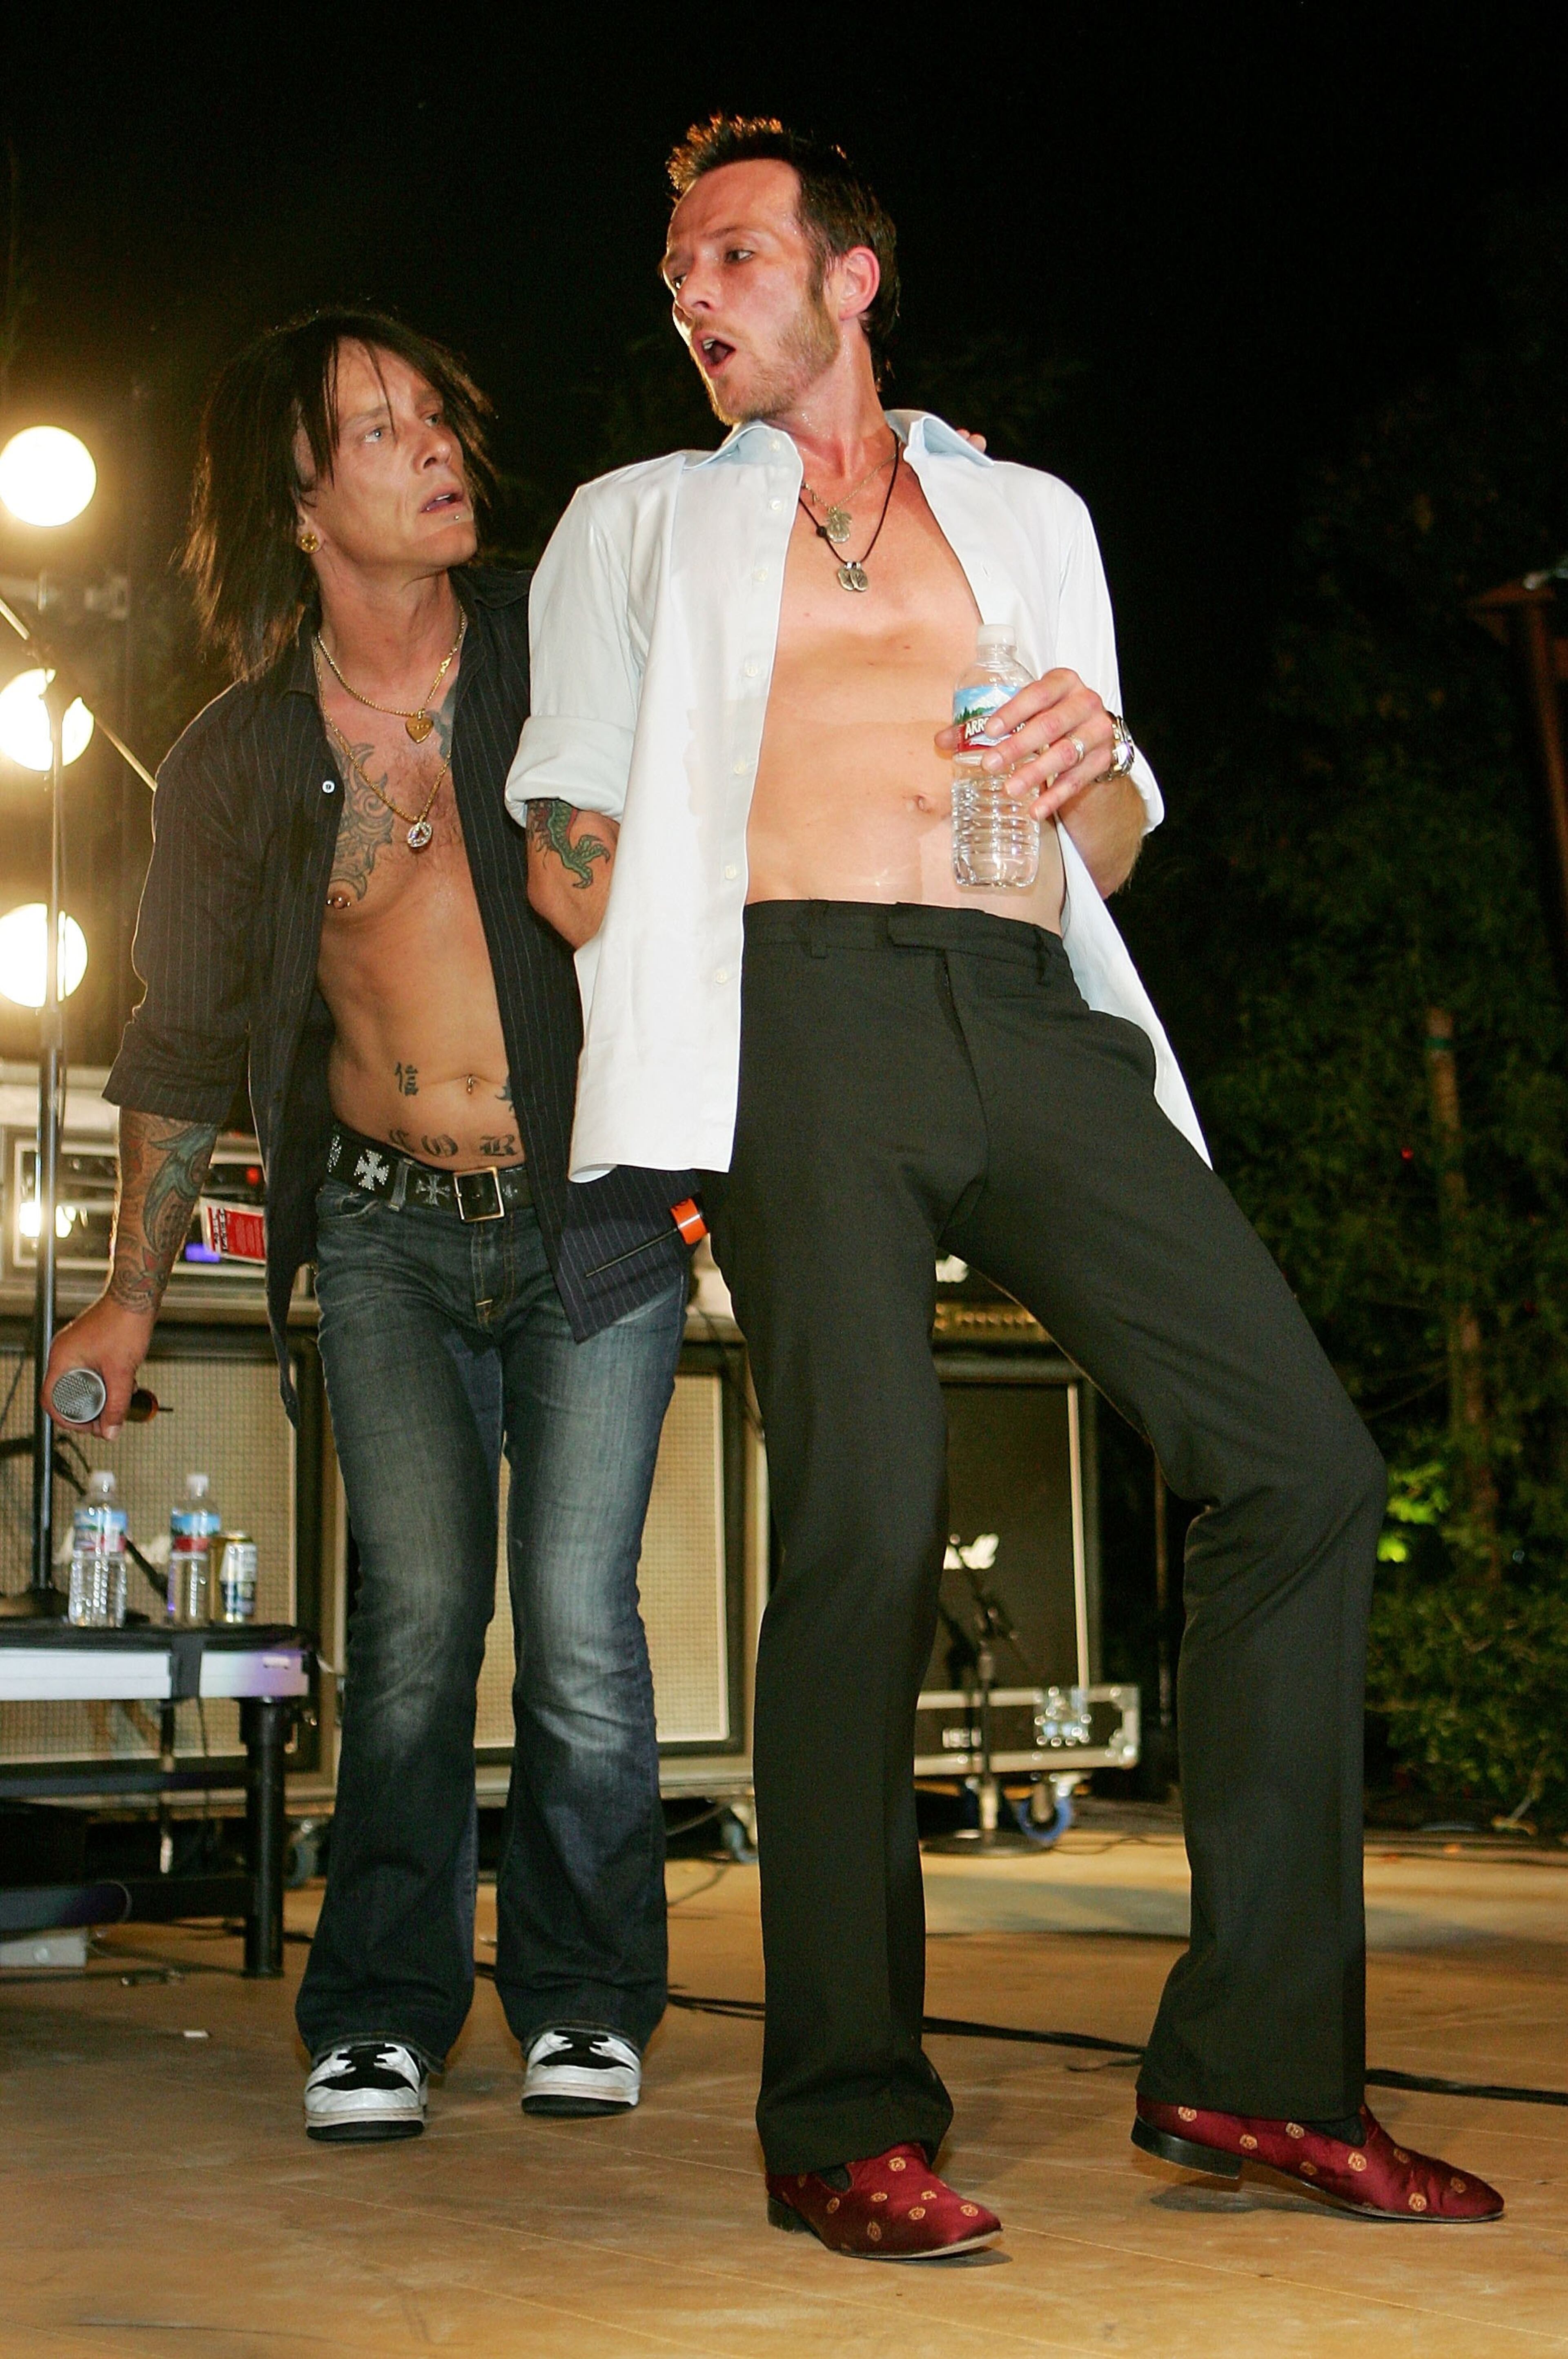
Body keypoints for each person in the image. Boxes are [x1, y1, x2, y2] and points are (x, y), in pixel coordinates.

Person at [506, 118, 1504, 2254]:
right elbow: (567, 847)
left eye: (735, 253)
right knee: (862, 1510)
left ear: (850, 276)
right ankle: (845, 2116)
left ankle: (1255, 2074)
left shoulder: (1026, 512)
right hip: (792, 1016)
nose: (692, 291)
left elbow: (1116, 843)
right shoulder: (632, 525)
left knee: (1303, 1463)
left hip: (1028, 998)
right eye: (674, 266)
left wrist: (1098, 764)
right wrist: (564, 857)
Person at [44, 308, 694, 2144]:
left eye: (437, 412)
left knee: (580, 1617)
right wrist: (126, 1298)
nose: (434, 447)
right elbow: (173, 1041)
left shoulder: (552, 666)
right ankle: (386, 2006)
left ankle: (583, 1993)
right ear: (301, 495)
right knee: (413, 1616)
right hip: (393, 1232)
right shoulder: (242, 758)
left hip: (592, 1215)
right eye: (380, 428)